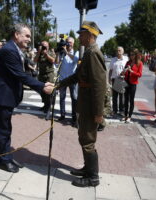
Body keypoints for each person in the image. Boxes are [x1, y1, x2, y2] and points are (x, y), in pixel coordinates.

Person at [0, 23, 54, 173]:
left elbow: (25, 70)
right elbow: (20, 75)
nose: (29, 39)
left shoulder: (15, 49)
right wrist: (42, 86)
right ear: (16, 35)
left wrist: (42, 82)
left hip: (7, 97)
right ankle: (3, 161)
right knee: (3, 130)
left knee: (6, 129)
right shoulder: (9, 50)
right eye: (27, 36)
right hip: (2, 97)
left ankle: (7, 157)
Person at [57, 21, 106, 187]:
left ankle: (93, 178)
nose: (79, 37)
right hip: (85, 105)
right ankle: (87, 169)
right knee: (84, 137)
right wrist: (58, 85)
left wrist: (99, 113)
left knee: (88, 140)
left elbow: (100, 86)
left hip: (91, 107)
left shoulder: (93, 53)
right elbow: (77, 76)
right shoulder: (88, 53)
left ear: (90, 35)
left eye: (81, 34)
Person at [55, 37, 78, 123]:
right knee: (62, 98)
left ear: (73, 43)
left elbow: (76, 60)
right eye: (67, 42)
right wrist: (58, 53)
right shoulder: (62, 52)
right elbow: (56, 63)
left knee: (74, 98)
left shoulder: (76, 52)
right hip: (62, 79)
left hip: (72, 79)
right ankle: (62, 114)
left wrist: (67, 52)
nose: (68, 44)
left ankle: (74, 117)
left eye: (70, 42)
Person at [121, 49, 143, 123]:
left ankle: (129, 116)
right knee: (126, 99)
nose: (131, 56)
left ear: (136, 55)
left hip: (133, 83)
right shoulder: (128, 62)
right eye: (130, 55)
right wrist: (123, 72)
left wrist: (132, 71)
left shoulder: (139, 63)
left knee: (131, 99)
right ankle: (125, 115)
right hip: (126, 82)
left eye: (133, 55)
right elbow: (124, 71)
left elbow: (139, 74)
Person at [34, 41, 56, 113]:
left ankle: (49, 106)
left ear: (48, 46)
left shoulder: (51, 52)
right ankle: (45, 105)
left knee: (48, 92)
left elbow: (53, 60)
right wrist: (39, 52)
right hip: (41, 74)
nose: (44, 47)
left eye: (45, 46)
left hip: (49, 75)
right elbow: (35, 60)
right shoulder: (39, 53)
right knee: (42, 91)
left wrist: (46, 54)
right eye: (42, 45)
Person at [109, 46, 128, 116]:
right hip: (114, 79)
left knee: (121, 96)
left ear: (123, 52)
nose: (118, 52)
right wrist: (109, 79)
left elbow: (128, 69)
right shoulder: (113, 59)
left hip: (122, 79)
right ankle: (114, 110)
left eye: (119, 50)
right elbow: (110, 70)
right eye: (117, 50)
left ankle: (121, 110)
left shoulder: (126, 59)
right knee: (114, 96)